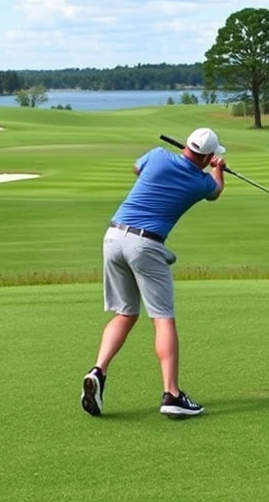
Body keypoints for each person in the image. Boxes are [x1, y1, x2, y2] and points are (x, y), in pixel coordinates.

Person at [81, 127, 227, 418]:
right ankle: (172, 394)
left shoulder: (158, 156)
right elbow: (216, 191)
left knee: (125, 314)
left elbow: (138, 168)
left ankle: (98, 371)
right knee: (163, 319)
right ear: (208, 156)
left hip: (113, 238)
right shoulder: (200, 182)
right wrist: (218, 169)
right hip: (145, 245)